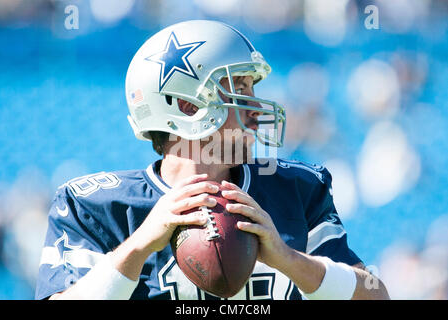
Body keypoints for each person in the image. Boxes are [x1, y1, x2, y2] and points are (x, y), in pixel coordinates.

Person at [35, 20, 389, 300]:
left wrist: (288, 258)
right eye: (242, 88)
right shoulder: (94, 205)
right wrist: (138, 246)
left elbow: (374, 296)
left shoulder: (297, 189)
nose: (255, 109)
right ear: (188, 106)